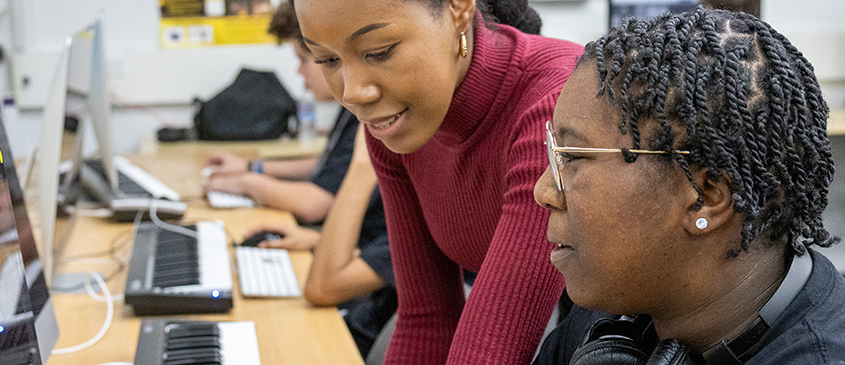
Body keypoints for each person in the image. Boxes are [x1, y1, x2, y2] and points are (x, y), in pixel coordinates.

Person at [532, 8, 845, 364]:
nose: (543, 191)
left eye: (573, 157)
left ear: (705, 196)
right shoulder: (615, 309)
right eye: (555, 152)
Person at [293, 0, 582, 362]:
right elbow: (427, 319)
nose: (353, 93)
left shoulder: (556, 102)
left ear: (458, 7)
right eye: (328, 60)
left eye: (379, 52)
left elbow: (492, 351)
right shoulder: (396, 128)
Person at [218, 3, 397, 357]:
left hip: (368, 313)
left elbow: (324, 281)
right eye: (327, 61)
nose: (354, 90)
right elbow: (391, 254)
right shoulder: (361, 114)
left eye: (312, 59)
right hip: (363, 277)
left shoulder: (392, 136)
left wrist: (248, 181)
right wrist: (316, 240)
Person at [203, 2, 356, 225]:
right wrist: (250, 167)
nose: (299, 71)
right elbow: (328, 166)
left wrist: (246, 183)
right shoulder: (348, 111)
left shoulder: (366, 117)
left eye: (303, 59)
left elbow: (314, 204)